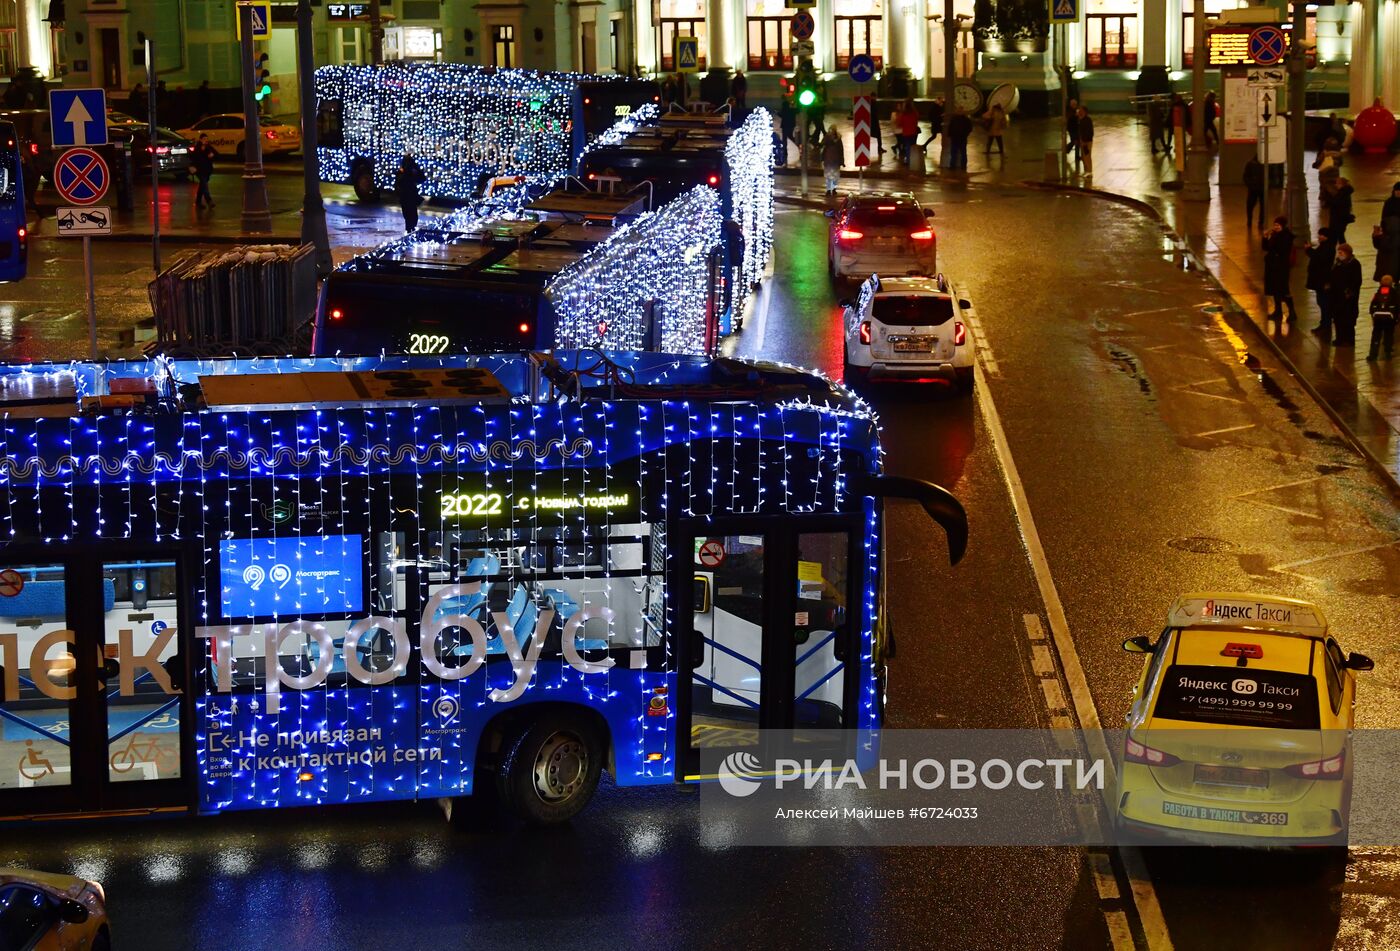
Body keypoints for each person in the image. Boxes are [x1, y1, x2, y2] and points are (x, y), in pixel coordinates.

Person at [1262, 216, 1297, 321]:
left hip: (1281, 267)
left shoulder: (1286, 236)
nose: (1276, 227)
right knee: (1274, 290)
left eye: (1278, 225)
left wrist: (1274, 239)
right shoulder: (1275, 234)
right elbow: (1266, 248)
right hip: (1272, 266)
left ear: (1283, 225)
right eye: (1275, 225)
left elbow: (1281, 250)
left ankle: (1292, 312)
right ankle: (1278, 312)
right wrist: (1265, 238)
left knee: (1283, 290)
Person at [1305, 227, 1337, 338]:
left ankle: (1326, 324)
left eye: (1322, 235)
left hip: (1323, 280)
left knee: (1324, 303)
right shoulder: (1324, 246)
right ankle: (1324, 323)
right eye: (1319, 234)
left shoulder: (1328, 248)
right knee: (1321, 302)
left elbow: (1320, 259)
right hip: (1319, 279)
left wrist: (1309, 250)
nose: (1320, 237)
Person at [1330, 243, 1363, 345]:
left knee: (1348, 319)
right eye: (1338, 252)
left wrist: (1349, 291)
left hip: (1348, 298)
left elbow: (1357, 281)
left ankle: (1349, 340)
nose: (1339, 254)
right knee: (1338, 318)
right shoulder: (1338, 263)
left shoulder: (1354, 264)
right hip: (1337, 296)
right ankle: (1340, 338)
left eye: (1341, 252)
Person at [1367, 275, 1397, 360]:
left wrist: (1372, 315)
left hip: (1378, 318)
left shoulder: (1378, 292)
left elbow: (1372, 305)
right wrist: (1396, 317)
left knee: (1376, 335)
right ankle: (1387, 352)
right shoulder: (1393, 293)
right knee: (1388, 335)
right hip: (1389, 319)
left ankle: (1373, 354)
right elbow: (1397, 306)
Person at [395, 153, 426, 232]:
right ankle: (410, 231)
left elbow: (421, 178)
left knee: (409, 217)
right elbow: (421, 178)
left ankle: (409, 231)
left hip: (406, 196)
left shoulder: (403, 172)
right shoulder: (406, 172)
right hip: (409, 196)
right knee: (411, 217)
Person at [1374, 216, 1400, 288]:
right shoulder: (1395, 235)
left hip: (1383, 265)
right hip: (1394, 267)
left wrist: (1376, 236)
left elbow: (1377, 245)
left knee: (1384, 287)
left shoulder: (1384, 237)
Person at [191, 133, 216, 209]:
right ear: (201, 139)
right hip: (199, 170)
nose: (206, 141)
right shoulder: (197, 147)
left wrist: (211, 155)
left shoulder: (208, 147)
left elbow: (215, 153)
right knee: (204, 185)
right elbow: (195, 157)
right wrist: (192, 166)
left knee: (202, 186)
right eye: (204, 139)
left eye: (206, 139)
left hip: (207, 170)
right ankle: (209, 201)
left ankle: (198, 202)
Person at [1243, 154, 1266, 231]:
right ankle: (1254, 221)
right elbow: (1245, 177)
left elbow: (1245, 177)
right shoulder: (1251, 164)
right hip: (1257, 188)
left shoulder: (1250, 164)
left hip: (1257, 188)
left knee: (1253, 206)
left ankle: (1257, 222)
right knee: (1255, 206)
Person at [1329, 177, 1354, 244]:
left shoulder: (1342, 193)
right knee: (1340, 235)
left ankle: (1342, 249)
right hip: (1341, 218)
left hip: (1339, 218)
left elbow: (1337, 203)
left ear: (1341, 184)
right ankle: (1342, 248)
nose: (1335, 185)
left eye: (1337, 183)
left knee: (1338, 235)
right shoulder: (1345, 192)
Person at [821, 124, 843, 195]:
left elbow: (822, 145)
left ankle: (829, 189)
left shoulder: (827, 138)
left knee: (829, 176)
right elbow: (841, 150)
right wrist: (842, 161)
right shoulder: (838, 139)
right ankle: (833, 189)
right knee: (834, 176)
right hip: (835, 160)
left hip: (828, 159)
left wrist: (822, 158)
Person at [897, 97, 920, 165]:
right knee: (913, 146)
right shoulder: (915, 113)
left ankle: (908, 160)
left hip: (906, 133)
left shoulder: (903, 114)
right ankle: (913, 160)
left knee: (907, 147)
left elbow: (900, 123)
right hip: (913, 132)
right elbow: (916, 121)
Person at [1077, 105, 1095, 176]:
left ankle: (1089, 172)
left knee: (1087, 156)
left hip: (1087, 141)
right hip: (1083, 141)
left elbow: (1089, 131)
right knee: (1084, 156)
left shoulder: (1087, 120)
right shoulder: (1081, 120)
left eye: (1080, 110)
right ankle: (1087, 171)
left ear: (1084, 111)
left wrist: (1085, 141)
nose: (1079, 111)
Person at [1064, 98, 1080, 163]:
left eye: (1076, 104)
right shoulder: (1069, 110)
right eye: (1074, 104)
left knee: (1077, 142)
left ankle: (1077, 156)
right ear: (1071, 104)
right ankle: (1066, 149)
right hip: (1072, 128)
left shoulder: (1075, 110)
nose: (1075, 105)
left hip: (1076, 128)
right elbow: (1070, 118)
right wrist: (1076, 116)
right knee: (1074, 141)